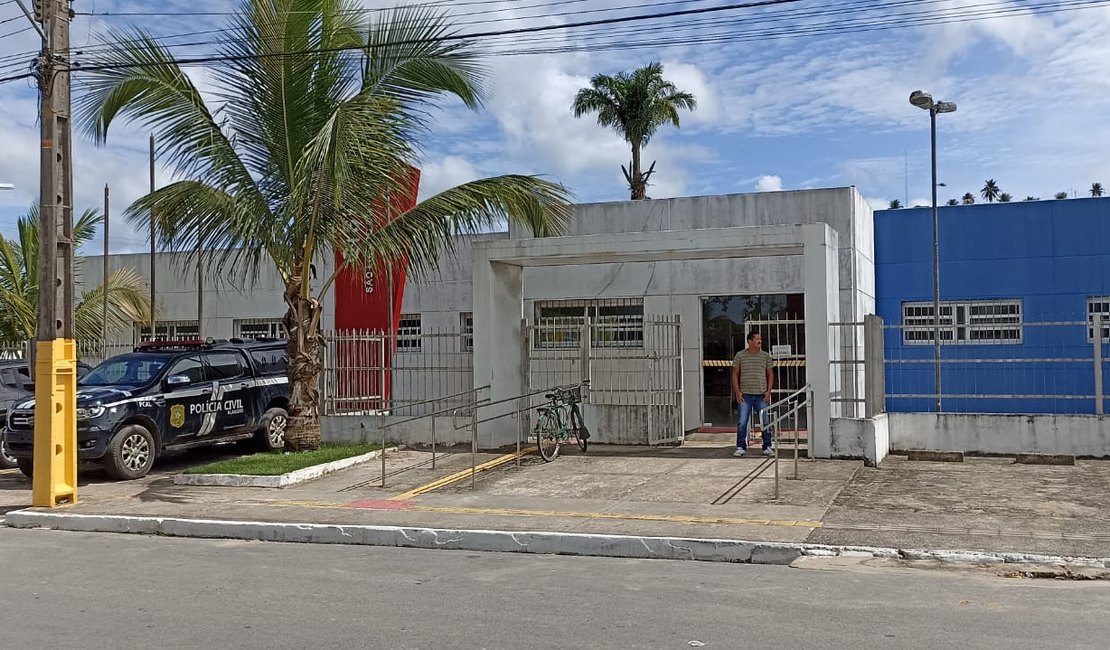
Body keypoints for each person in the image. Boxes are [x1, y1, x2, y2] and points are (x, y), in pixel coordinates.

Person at [731, 330, 775, 457]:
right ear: (749, 341)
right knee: (742, 422)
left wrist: (768, 391)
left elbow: (770, 374)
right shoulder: (740, 355)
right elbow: (734, 374)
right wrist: (737, 392)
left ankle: (767, 446)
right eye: (757, 339)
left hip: (761, 395)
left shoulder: (766, 356)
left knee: (765, 421)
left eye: (760, 339)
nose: (760, 341)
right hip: (745, 395)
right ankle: (740, 446)